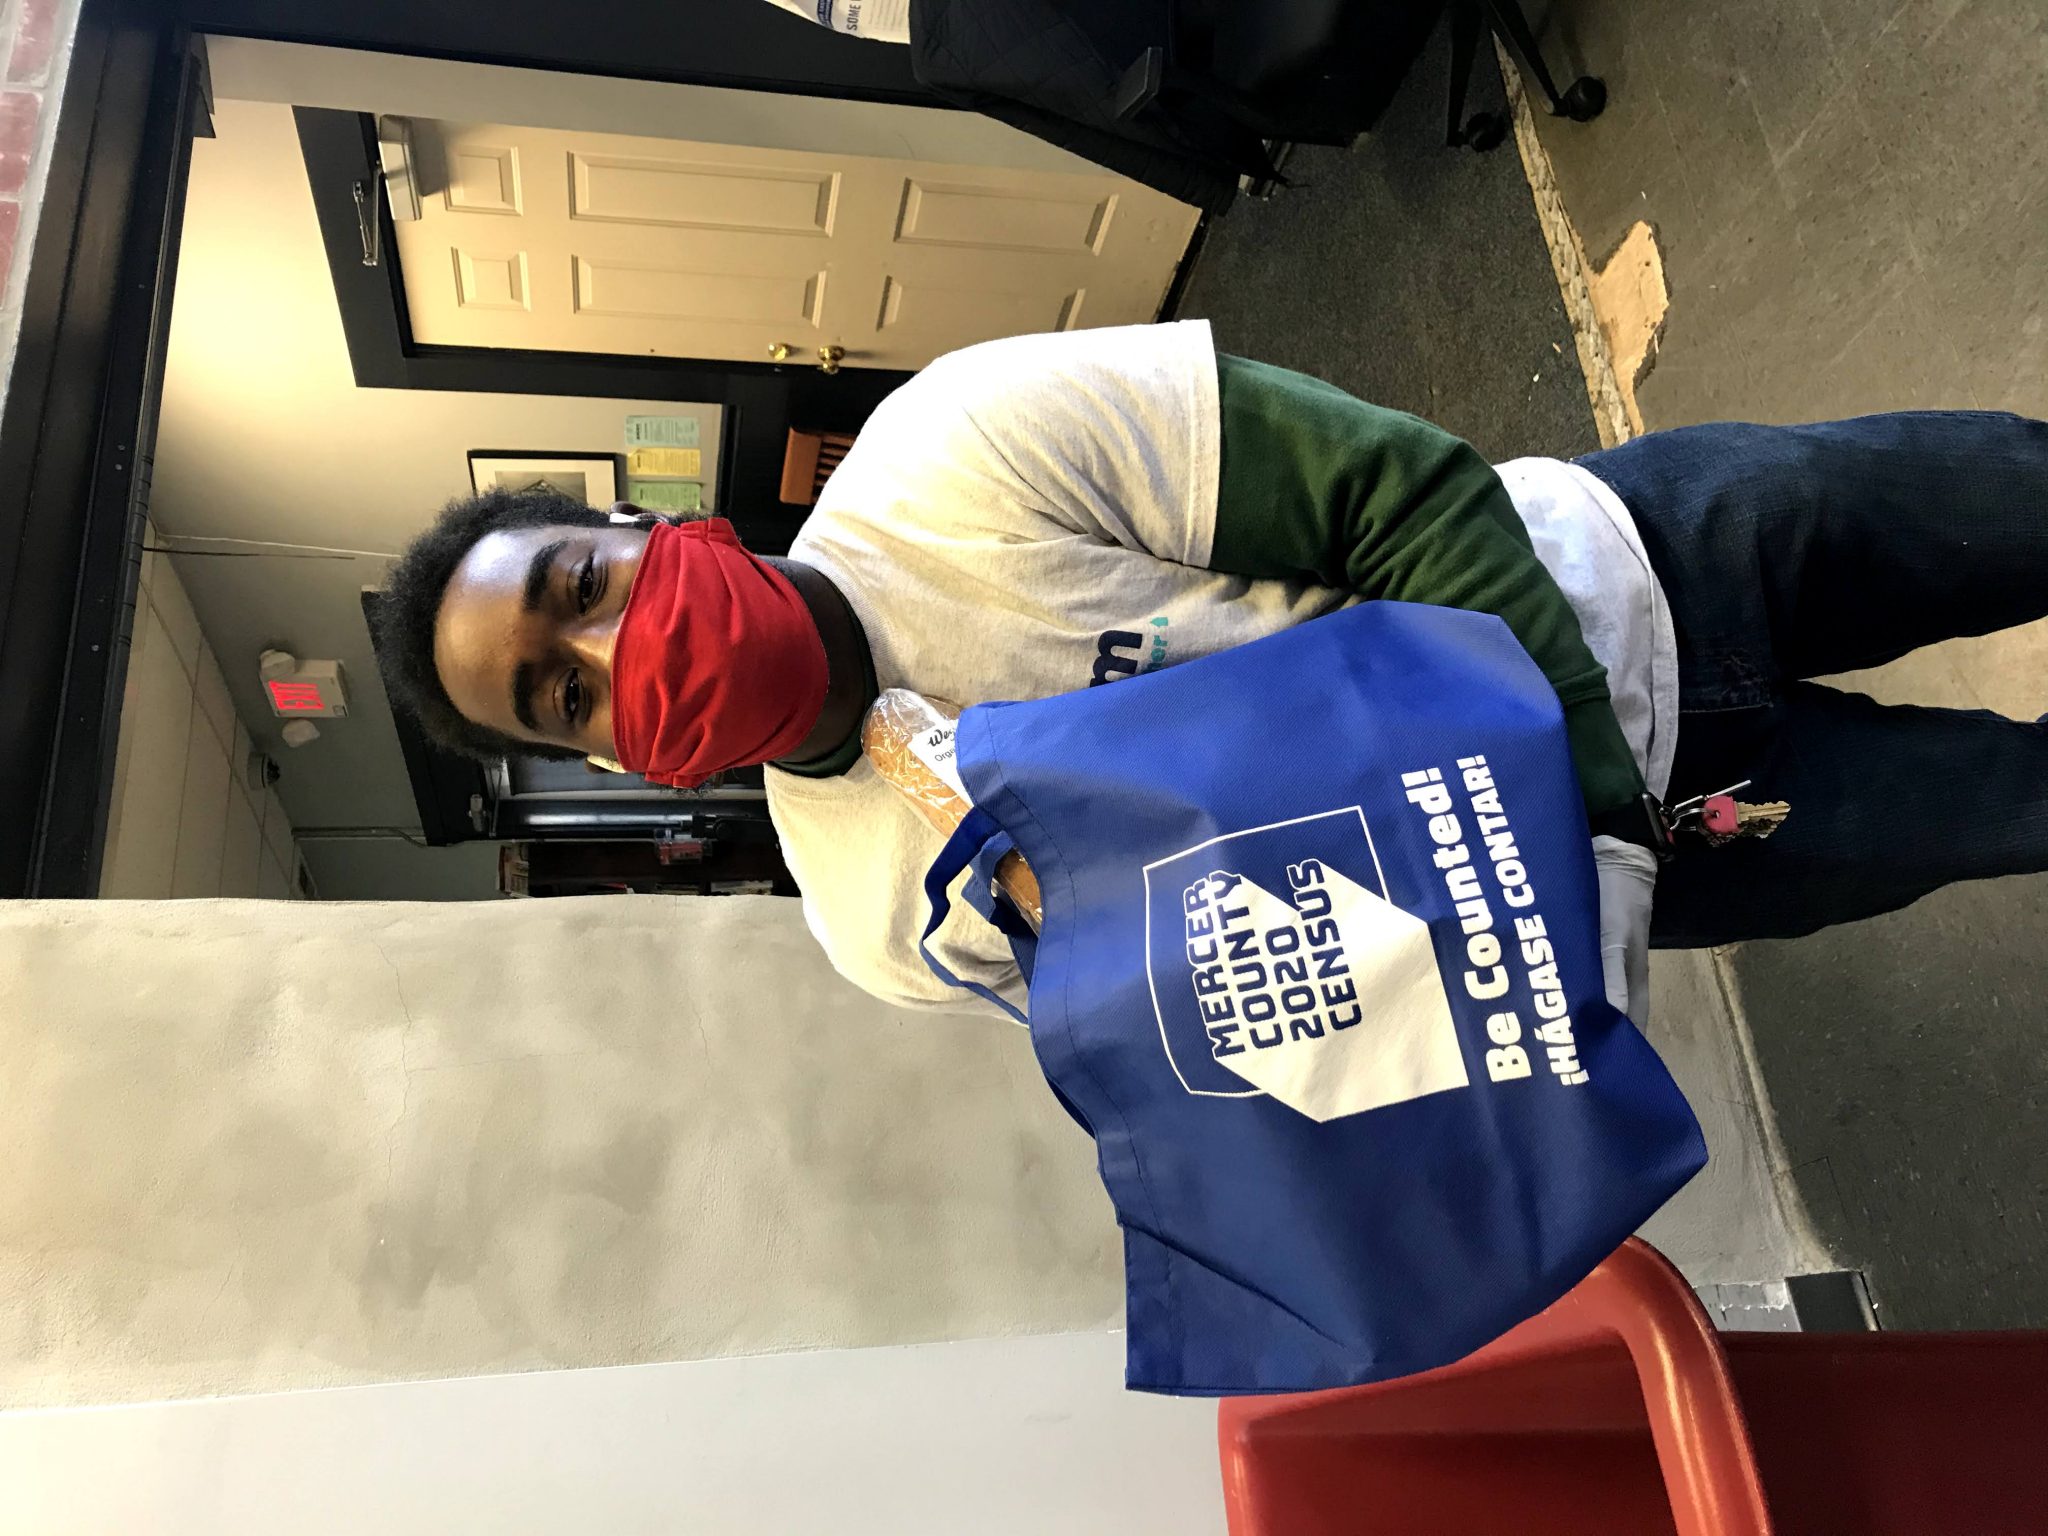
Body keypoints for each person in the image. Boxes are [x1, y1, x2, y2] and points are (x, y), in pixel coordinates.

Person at [374, 322, 2048, 1020]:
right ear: (608, 762)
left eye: (582, 588)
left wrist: (1584, 830)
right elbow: (1233, 992)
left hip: (1657, 564)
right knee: (2013, 809)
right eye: (565, 692)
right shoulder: (883, 923)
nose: (611, 647)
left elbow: (1396, 493)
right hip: (1700, 837)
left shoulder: (956, 447)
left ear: (644, 525)